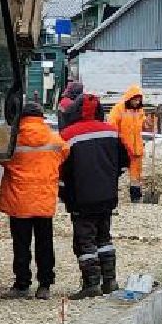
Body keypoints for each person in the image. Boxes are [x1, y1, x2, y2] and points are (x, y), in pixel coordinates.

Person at [59, 94, 129, 297]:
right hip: (107, 196)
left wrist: (64, 193)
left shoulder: (68, 135)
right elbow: (124, 162)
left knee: (85, 241)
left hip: (81, 198)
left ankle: (91, 284)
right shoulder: (112, 132)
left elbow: (62, 170)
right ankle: (110, 280)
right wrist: (110, 178)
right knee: (104, 238)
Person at [0, 101, 66, 299]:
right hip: (44, 200)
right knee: (45, 243)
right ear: (41, 117)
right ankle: (44, 285)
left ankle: (22, 284)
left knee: (21, 244)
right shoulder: (54, 138)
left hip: (19, 201)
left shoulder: (11, 138)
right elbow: (65, 152)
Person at [107, 85, 149, 203]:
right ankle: (111, 196)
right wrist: (117, 143)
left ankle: (136, 197)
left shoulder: (140, 110)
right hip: (123, 148)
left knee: (136, 175)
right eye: (135, 100)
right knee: (115, 172)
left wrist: (150, 122)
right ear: (129, 98)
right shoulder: (118, 109)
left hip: (136, 148)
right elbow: (112, 127)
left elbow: (144, 125)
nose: (137, 102)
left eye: (139, 100)